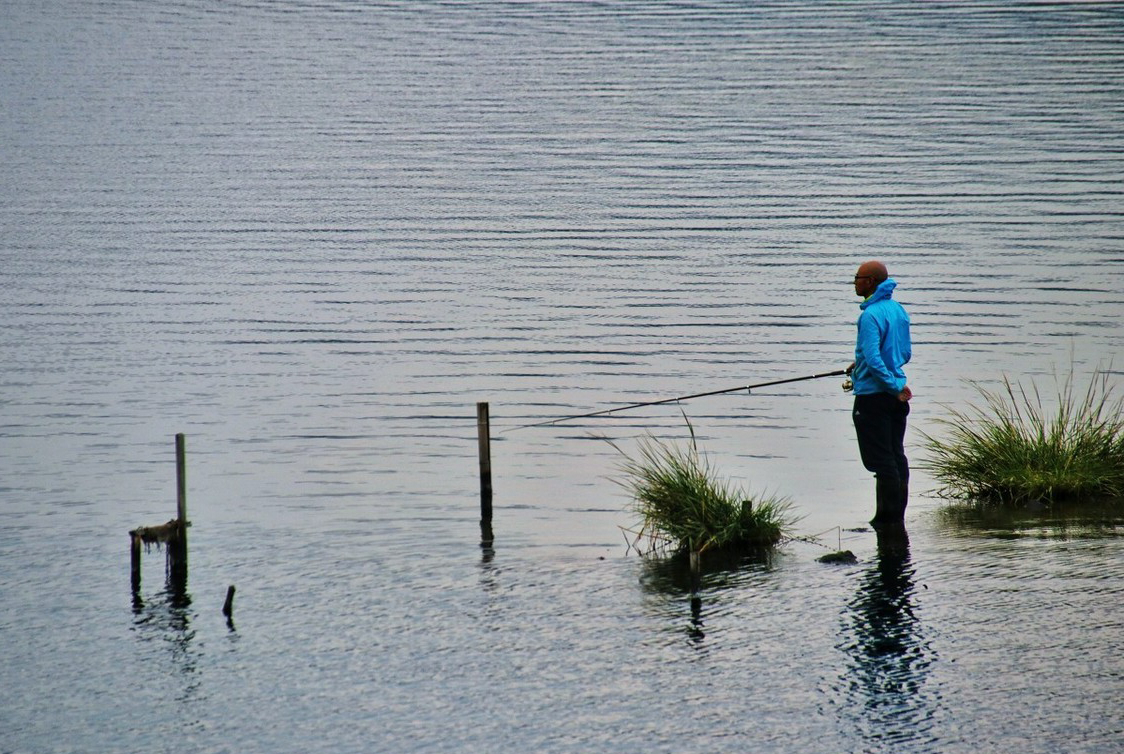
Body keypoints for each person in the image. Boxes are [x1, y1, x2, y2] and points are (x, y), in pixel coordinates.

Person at [848, 260, 912, 525]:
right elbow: (903, 353)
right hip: (896, 397)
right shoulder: (898, 310)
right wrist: (894, 382)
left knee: (882, 461)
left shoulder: (870, 315)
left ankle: (886, 520)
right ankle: (895, 519)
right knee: (896, 455)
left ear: (871, 282)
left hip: (874, 398)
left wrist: (891, 385)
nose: (854, 282)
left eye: (857, 277)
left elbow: (875, 361)